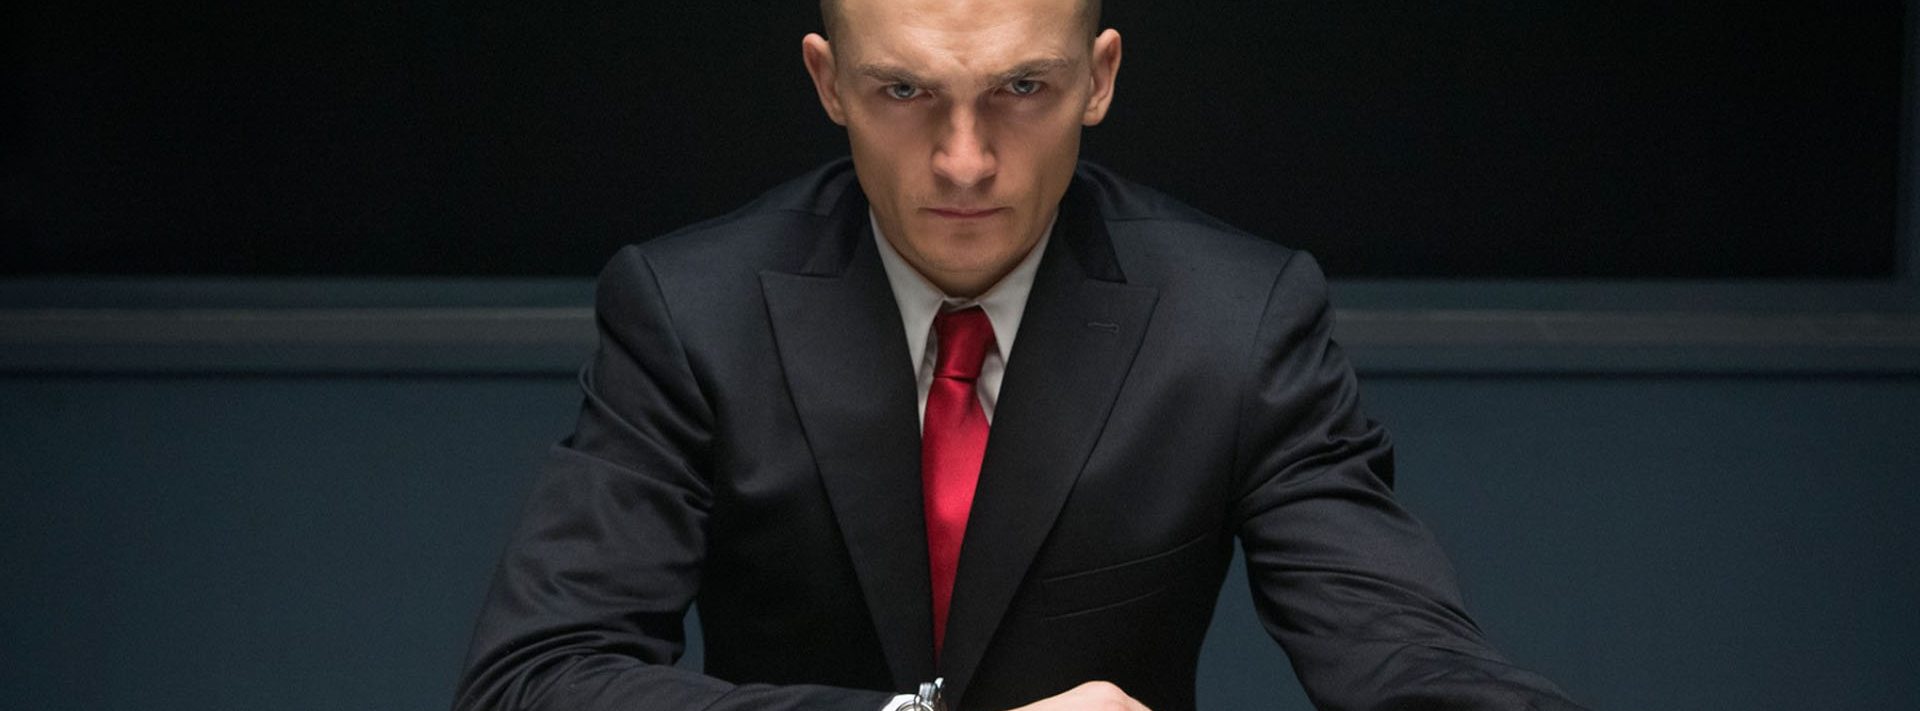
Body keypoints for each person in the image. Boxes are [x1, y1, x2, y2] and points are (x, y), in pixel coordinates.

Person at [453, 0, 1587, 709]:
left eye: (1022, 89)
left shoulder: (1237, 319)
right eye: (905, 91)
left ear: (1100, 77)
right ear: (828, 82)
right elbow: (533, 680)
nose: (963, 161)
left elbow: (1411, 658)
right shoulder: (689, 312)